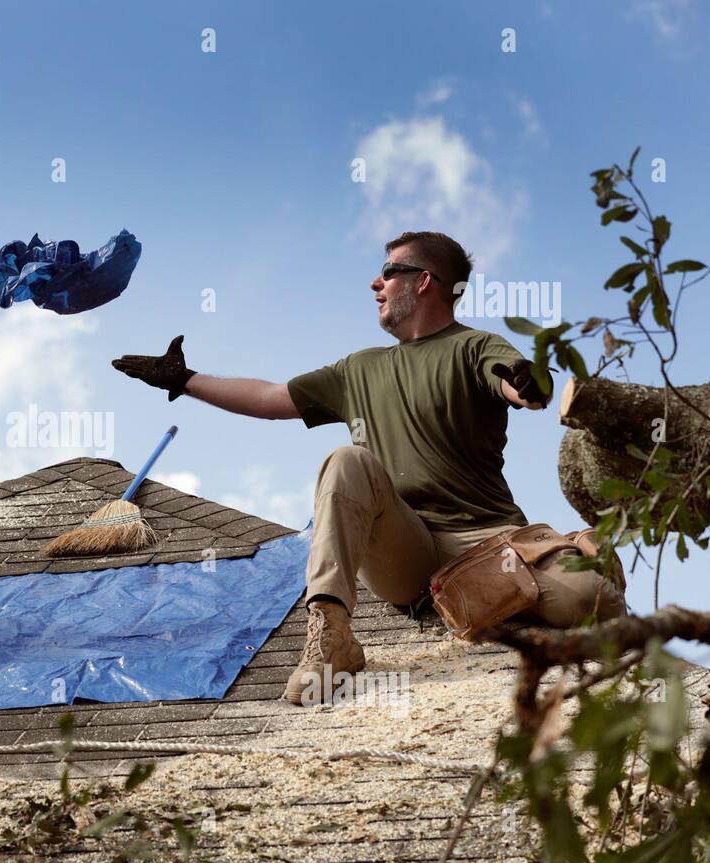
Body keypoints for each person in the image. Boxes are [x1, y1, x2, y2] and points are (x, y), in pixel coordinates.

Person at [112, 231, 626, 705]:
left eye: (389, 271)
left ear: (425, 281)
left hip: (487, 540)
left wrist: (527, 385)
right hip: (403, 547)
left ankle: (487, 597)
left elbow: (516, 383)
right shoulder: (359, 368)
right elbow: (270, 397)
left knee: (594, 597)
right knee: (347, 459)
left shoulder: (475, 346)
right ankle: (332, 635)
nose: (375, 283)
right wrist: (184, 378)